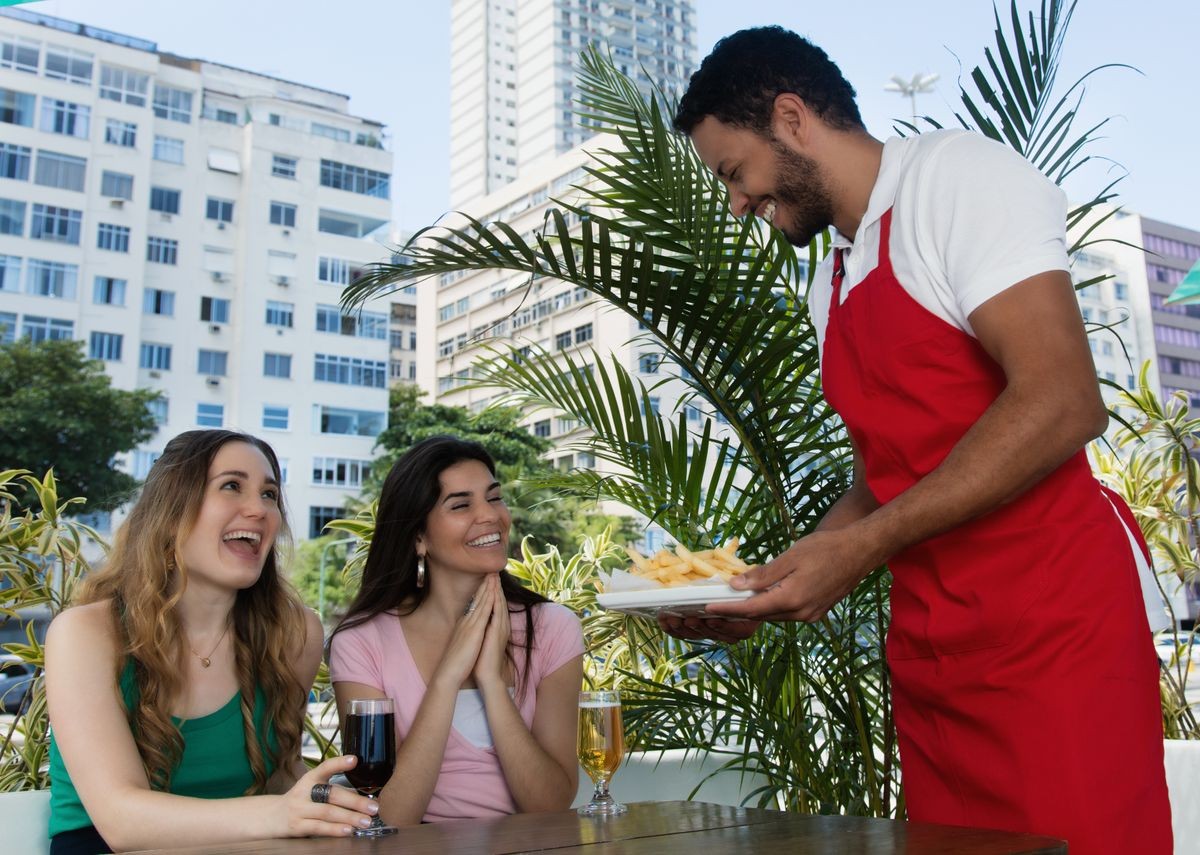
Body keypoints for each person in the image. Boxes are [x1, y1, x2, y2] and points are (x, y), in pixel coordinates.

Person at [663, 26, 1172, 854]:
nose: (737, 203)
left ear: (790, 118)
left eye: (734, 172)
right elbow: (888, 473)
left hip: (1053, 636)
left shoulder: (957, 180)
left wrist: (861, 549)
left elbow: (1063, 398)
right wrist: (759, 592)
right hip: (936, 660)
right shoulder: (834, 277)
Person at [45, 430, 379, 854]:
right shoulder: (86, 635)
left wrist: (329, 806)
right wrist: (281, 814)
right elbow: (120, 820)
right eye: (231, 486)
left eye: (270, 494)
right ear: (171, 511)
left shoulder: (294, 634)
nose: (259, 509)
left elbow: (278, 776)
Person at [328, 436, 584, 825]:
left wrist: (491, 684)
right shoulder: (362, 644)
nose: (491, 516)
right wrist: (448, 677)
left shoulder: (553, 629)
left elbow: (551, 805)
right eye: (461, 505)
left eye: (494, 497)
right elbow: (389, 816)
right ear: (418, 538)